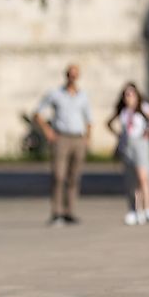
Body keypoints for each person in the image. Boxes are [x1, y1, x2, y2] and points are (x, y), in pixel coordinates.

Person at [33, 64, 92, 226]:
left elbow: (89, 119)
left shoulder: (83, 96)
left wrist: (88, 138)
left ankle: (69, 211)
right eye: (70, 74)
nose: (72, 78)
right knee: (59, 176)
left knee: (74, 177)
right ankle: (56, 212)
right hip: (61, 138)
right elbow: (37, 113)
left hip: (78, 138)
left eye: (75, 75)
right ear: (65, 76)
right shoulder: (56, 94)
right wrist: (48, 131)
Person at [107, 83, 149, 225]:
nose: (128, 98)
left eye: (131, 94)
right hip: (127, 145)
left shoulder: (143, 108)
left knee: (143, 177)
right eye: (126, 95)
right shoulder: (123, 111)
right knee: (131, 180)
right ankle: (135, 209)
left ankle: (148, 208)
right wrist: (119, 136)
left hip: (140, 144)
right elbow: (109, 123)